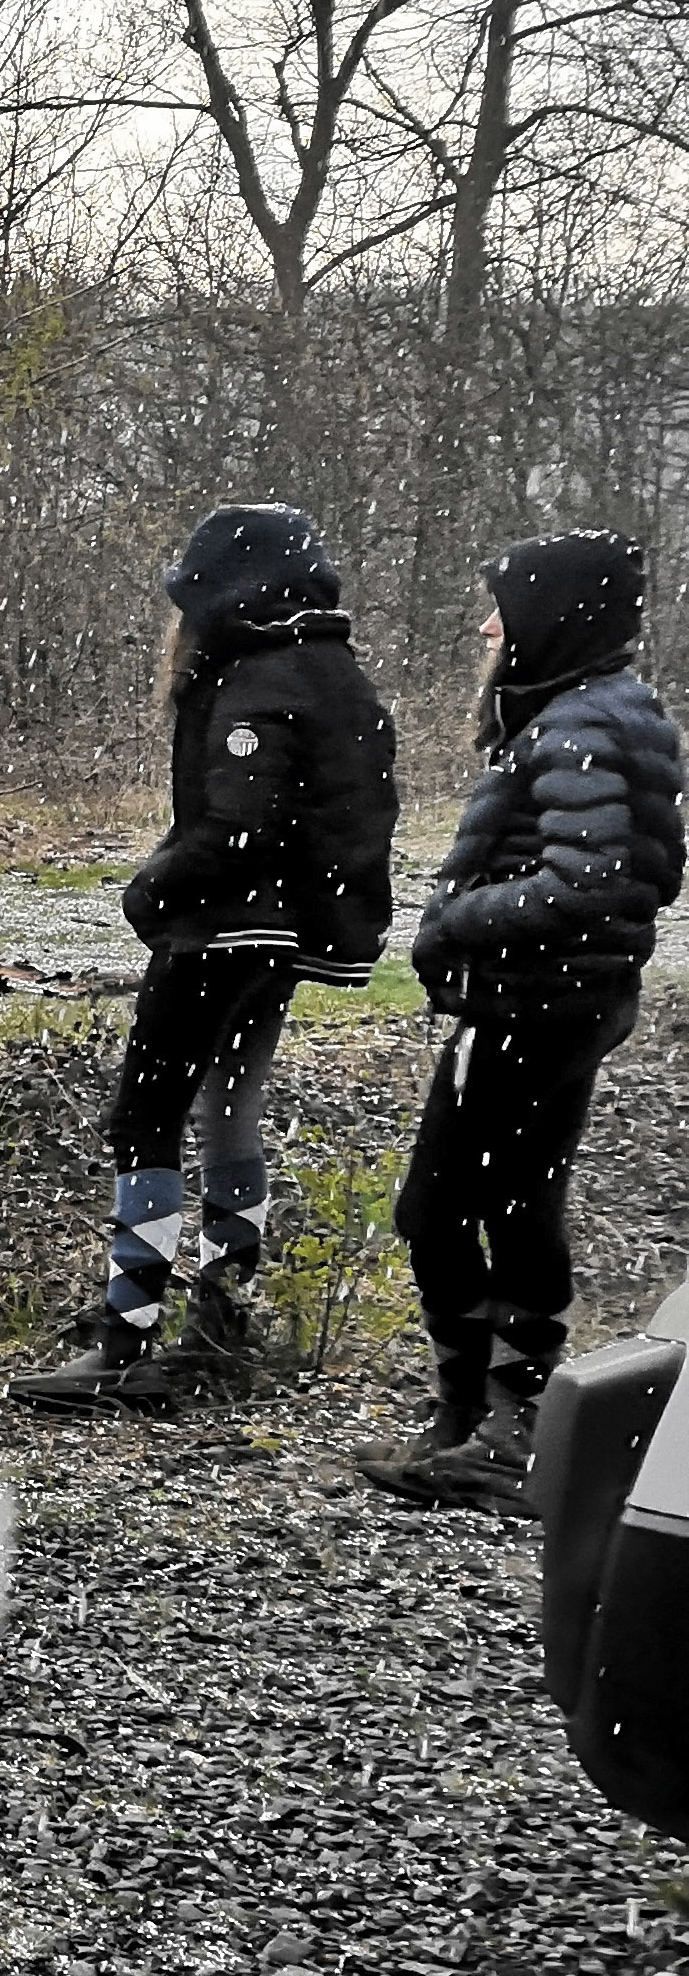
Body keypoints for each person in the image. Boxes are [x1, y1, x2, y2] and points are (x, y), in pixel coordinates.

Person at [11, 503, 398, 1409]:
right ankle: (222, 1323)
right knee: (231, 1112)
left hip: (223, 931)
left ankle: (124, 1338)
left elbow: (237, 827)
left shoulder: (256, 681)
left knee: (144, 1120)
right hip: (284, 938)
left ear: (222, 597)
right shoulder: (334, 672)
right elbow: (348, 816)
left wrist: (150, 891)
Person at [360, 532, 683, 1513]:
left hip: (532, 1006)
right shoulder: (594, 715)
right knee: (487, 1200)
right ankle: (471, 1419)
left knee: (464, 1206)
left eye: (502, 606)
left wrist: (457, 919)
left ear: (550, 619)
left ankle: (504, 1427)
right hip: (548, 1004)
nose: (487, 625)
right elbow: (643, 875)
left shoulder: (580, 725)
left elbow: (591, 882)